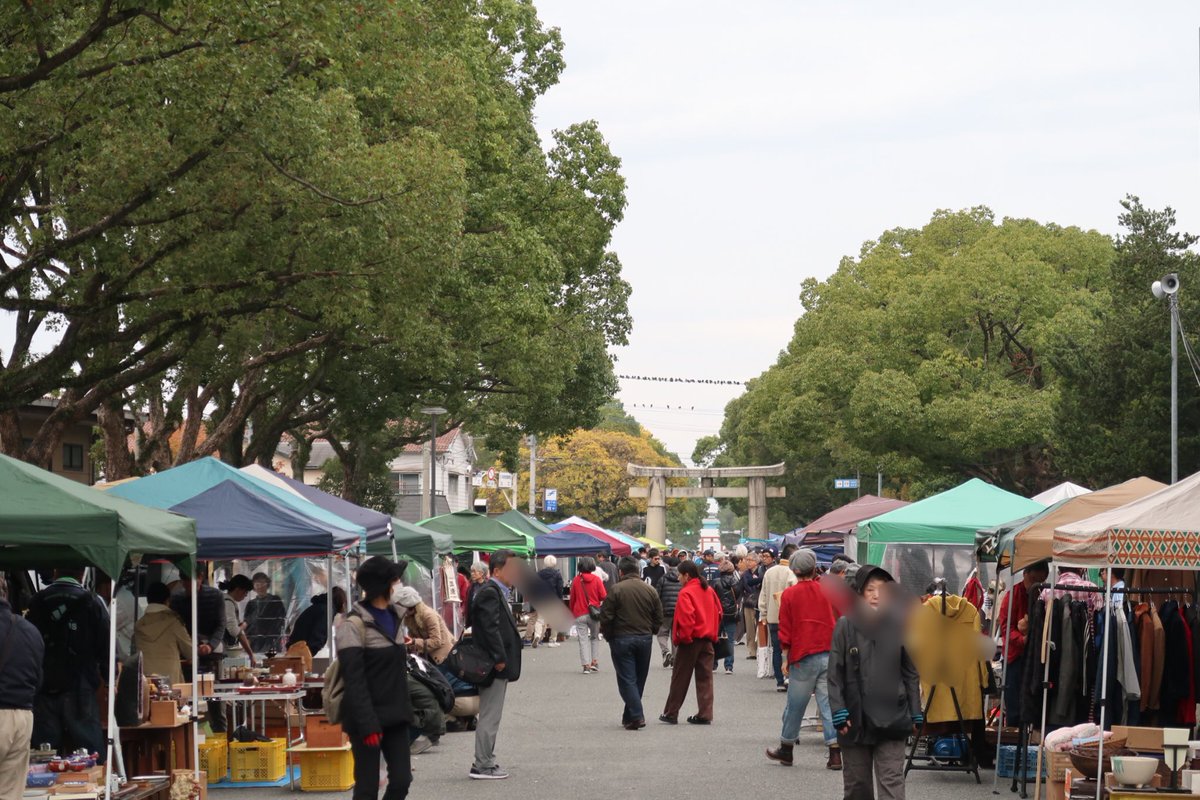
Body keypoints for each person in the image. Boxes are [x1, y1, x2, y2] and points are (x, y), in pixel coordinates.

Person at [829, 566, 922, 800]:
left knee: (892, 781)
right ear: (859, 593)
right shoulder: (845, 625)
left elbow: (910, 672)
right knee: (857, 785)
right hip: (855, 716)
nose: (877, 595)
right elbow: (835, 672)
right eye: (870, 589)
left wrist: (916, 711)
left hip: (893, 714)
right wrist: (838, 709)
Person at [338, 557, 413, 800]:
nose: (398, 584)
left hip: (396, 715)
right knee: (367, 788)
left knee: (402, 780)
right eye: (395, 579)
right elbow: (354, 679)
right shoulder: (353, 624)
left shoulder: (396, 616)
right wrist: (367, 723)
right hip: (366, 719)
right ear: (385, 585)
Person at [766, 550, 841, 770]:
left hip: (802, 654)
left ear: (794, 570)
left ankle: (787, 748)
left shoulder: (789, 595)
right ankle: (835, 753)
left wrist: (785, 658)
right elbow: (840, 616)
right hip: (829, 652)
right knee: (828, 705)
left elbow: (785, 631)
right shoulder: (828, 591)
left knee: (795, 705)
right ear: (814, 567)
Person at [27, 568, 109, 755]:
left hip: (44, 687)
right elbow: (105, 644)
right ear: (81, 574)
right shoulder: (93, 602)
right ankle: (94, 781)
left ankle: (46, 783)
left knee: (45, 753)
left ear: (55, 573)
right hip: (81, 686)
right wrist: (110, 677)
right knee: (89, 750)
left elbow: (29, 642)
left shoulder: (37, 601)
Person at [469, 549, 524, 780]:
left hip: (495, 662)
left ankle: (485, 761)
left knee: (491, 714)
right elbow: (490, 628)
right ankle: (483, 764)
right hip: (494, 664)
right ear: (497, 570)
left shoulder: (494, 591)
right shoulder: (490, 592)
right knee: (490, 715)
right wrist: (499, 658)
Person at [600, 556, 664, 730]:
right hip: (644, 637)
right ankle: (629, 716)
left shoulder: (616, 589)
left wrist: (608, 635)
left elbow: (606, 616)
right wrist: (653, 630)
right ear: (638, 570)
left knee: (627, 679)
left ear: (621, 572)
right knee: (639, 679)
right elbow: (659, 615)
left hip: (621, 637)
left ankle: (636, 715)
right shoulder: (650, 590)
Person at [660, 560, 722, 725]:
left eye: (680, 575)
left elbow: (687, 618)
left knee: (680, 677)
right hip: (707, 638)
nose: (679, 578)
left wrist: (683, 637)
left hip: (691, 640)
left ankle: (671, 712)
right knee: (705, 677)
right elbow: (718, 612)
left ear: (686, 575)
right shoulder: (708, 590)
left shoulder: (686, 592)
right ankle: (705, 713)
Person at [0, 572, 43, 800]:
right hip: (22, 718)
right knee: (9, 793)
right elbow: (39, 680)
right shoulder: (29, 630)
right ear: (5, 591)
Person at [169, 570, 226, 731]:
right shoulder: (177, 598)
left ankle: (220, 736)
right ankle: (192, 737)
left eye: (192, 580)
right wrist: (189, 647)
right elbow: (177, 626)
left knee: (215, 699)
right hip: (187, 653)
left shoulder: (216, 596)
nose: (188, 584)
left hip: (212, 653)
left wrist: (210, 645)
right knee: (187, 699)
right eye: (185, 580)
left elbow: (221, 625)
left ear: (201, 577)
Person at [995, 559, 1049, 728]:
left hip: (1035, 658)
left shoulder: (1045, 597)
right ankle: (1012, 742)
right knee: (1015, 706)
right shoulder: (1012, 596)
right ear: (1024, 574)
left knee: (1034, 704)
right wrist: (1024, 640)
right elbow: (1006, 629)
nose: (1036, 584)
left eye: (1041, 581)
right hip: (1015, 658)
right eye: (1033, 579)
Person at [135, 582, 192, 685]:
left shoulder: (139, 625)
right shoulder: (174, 622)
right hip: (170, 682)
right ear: (167, 600)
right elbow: (190, 652)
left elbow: (133, 655)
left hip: (145, 682)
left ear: (148, 600)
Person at [759, 545, 798, 691]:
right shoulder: (792, 573)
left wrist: (763, 615)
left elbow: (763, 596)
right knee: (789, 648)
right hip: (788, 619)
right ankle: (788, 677)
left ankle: (779, 681)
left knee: (776, 649)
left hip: (772, 617)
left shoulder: (769, 572)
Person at [569, 557, 607, 674]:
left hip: (579, 613)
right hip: (594, 613)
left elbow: (572, 599)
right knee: (594, 638)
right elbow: (603, 596)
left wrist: (572, 612)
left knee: (583, 639)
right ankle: (594, 662)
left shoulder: (576, 580)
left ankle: (586, 665)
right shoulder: (596, 580)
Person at [289, 586, 347, 657]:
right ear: (341, 602)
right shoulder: (326, 612)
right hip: (300, 654)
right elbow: (318, 638)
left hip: (296, 649)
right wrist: (308, 657)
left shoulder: (320, 608)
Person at [218, 574, 257, 668]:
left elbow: (241, 634)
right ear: (238, 589)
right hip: (221, 650)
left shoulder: (230, 602)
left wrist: (251, 654)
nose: (245, 595)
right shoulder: (228, 603)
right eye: (245, 592)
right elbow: (234, 631)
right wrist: (244, 624)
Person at [526, 556, 564, 648]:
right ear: (554, 563)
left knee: (540, 620)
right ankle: (552, 640)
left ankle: (537, 636)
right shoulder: (557, 574)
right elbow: (560, 588)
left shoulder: (539, 574)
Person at [244, 572, 287, 654]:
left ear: (267, 584)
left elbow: (281, 621)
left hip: (272, 642)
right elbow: (247, 624)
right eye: (257, 583)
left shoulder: (275, 600)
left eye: (262, 583)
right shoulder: (251, 604)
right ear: (253, 586)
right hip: (255, 644)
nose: (260, 586)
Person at [713, 559, 742, 674]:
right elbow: (738, 594)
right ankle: (729, 666)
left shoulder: (715, 582)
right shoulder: (735, 582)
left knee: (715, 638)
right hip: (731, 613)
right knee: (730, 639)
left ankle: (713, 665)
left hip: (718, 613)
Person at [657, 556, 682, 667]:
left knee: (662, 633)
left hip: (665, 610)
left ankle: (665, 651)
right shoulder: (682, 579)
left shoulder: (663, 578)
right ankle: (675, 659)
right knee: (675, 635)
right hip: (679, 611)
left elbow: (657, 595)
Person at [741, 551, 764, 661]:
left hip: (760, 602)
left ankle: (761, 649)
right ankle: (752, 651)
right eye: (747, 560)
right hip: (749, 603)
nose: (748, 562)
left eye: (750, 560)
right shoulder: (745, 573)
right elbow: (746, 584)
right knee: (750, 628)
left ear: (756, 561)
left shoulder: (762, 571)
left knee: (759, 627)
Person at [464, 562, 488, 627]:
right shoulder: (471, 587)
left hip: (484, 623)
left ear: (482, 573)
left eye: (474, 572)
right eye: (471, 572)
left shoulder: (488, 587)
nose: (472, 574)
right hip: (472, 621)